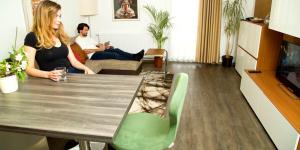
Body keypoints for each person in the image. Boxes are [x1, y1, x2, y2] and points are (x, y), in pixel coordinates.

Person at [24, 0, 95, 82]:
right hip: (53, 80)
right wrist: (48, 74)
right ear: (45, 17)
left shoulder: (61, 35)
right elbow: (29, 69)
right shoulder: (32, 37)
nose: (59, 20)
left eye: (60, 16)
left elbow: (74, 61)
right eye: (56, 16)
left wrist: (87, 69)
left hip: (72, 73)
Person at [75, 23, 144, 61]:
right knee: (114, 55)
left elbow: (97, 44)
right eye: (85, 30)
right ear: (80, 30)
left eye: (87, 30)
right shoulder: (78, 40)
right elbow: (85, 51)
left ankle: (134, 56)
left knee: (116, 50)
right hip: (93, 55)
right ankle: (133, 59)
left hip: (98, 51)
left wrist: (104, 45)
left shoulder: (87, 37)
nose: (87, 32)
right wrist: (99, 49)